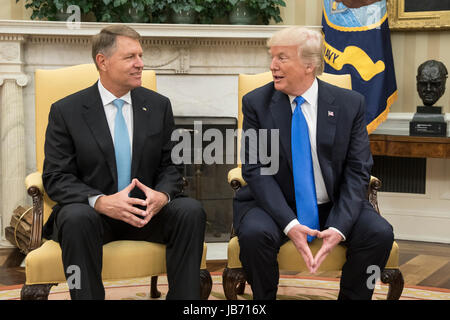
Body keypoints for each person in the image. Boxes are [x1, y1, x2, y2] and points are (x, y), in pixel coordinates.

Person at [42, 25, 206, 300]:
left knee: (189, 210)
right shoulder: (66, 111)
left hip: (147, 212)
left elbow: (172, 166)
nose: (140, 64)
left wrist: (162, 195)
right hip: (95, 215)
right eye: (130, 57)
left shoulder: (158, 105)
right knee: (74, 217)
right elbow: (56, 177)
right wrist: (101, 201)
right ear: (102, 61)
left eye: (140, 56)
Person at [233, 26, 394, 300]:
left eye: (282, 58)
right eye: (272, 58)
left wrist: (340, 226)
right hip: (275, 204)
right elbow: (257, 169)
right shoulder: (257, 103)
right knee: (254, 234)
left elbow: (358, 170)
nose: (273, 66)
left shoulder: (350, 104)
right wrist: (290, 224)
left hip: (333, 202)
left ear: (310, 65)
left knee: (379, 233)